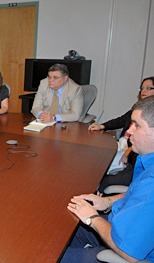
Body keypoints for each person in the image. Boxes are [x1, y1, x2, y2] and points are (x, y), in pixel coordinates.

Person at [60, 96, 154, 263]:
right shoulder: (148, 160)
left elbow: (130, 254)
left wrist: (93, 219)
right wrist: (108, 202)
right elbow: (136, 195)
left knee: (44, 255)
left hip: (124, 251)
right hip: (119, 225)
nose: (128, 131)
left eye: (137, 125)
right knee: (57, 232)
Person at [89, 77, 154, 194]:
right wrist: (102, 126)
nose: (144, 91)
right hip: (127, 147)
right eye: (142, 88)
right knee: (95, 160)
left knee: (98, 169)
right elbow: (121, 120)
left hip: (131, 160)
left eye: (149, 88)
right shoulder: (138, 108)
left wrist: (131, 149)